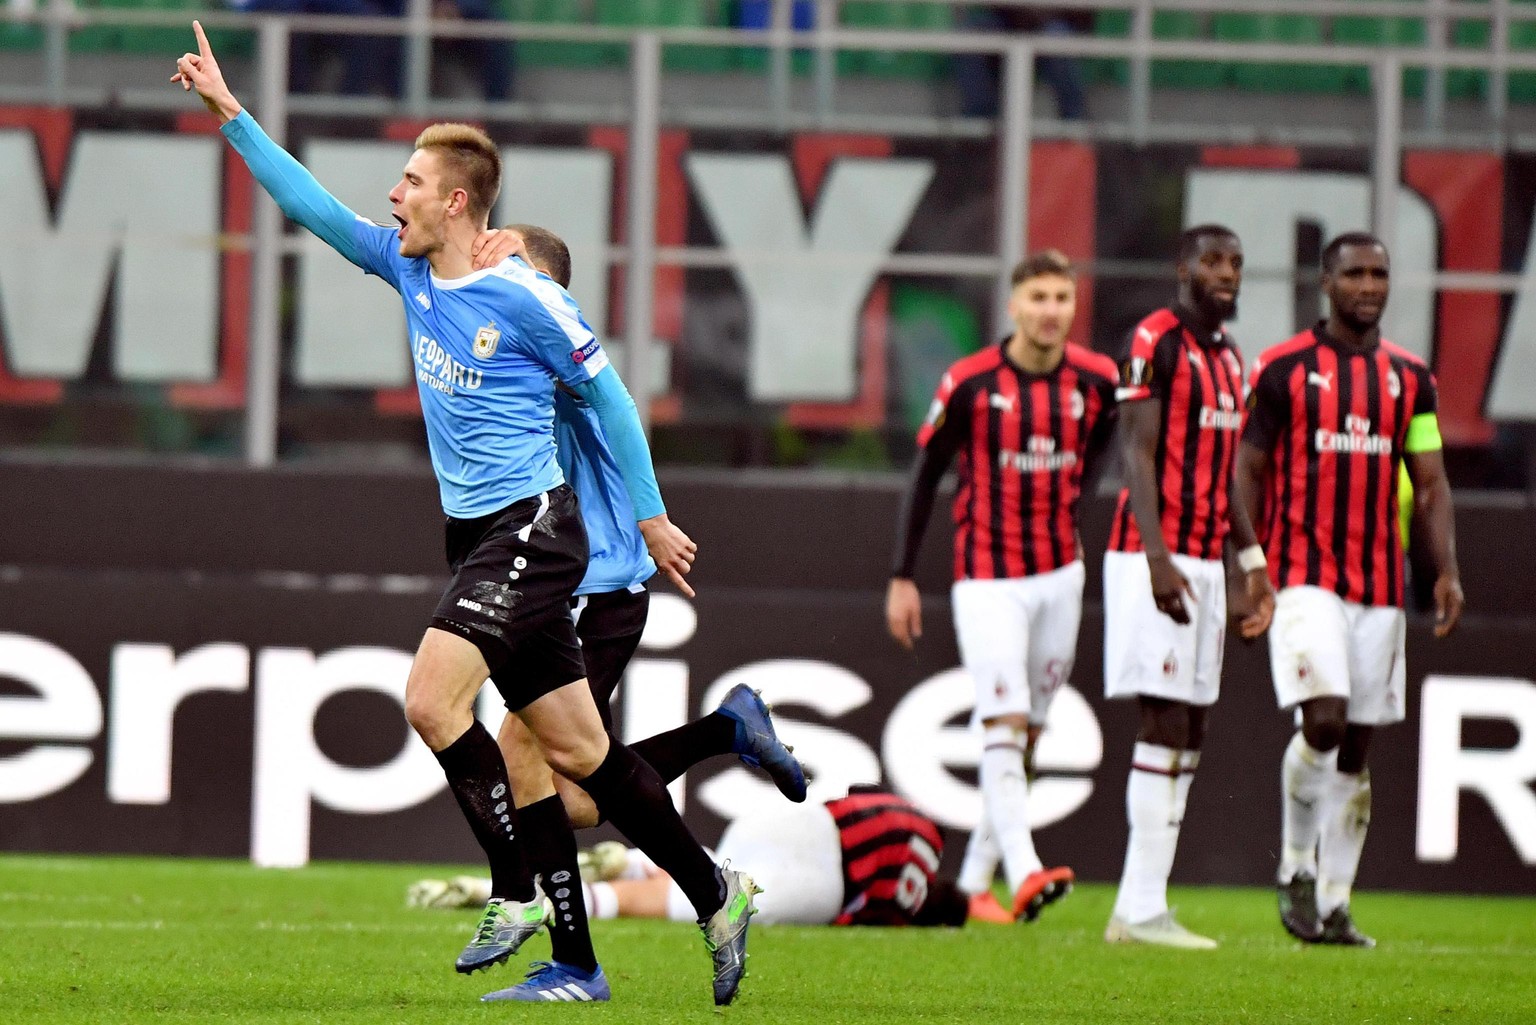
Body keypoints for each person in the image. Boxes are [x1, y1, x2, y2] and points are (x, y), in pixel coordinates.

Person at [173, 23, 756, 1007]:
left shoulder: (525, 297)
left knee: (431, 701)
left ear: (455, 200)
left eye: (407, 180)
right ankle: (716, 891)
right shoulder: (409, 269)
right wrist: (232, 115)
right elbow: (308, 206)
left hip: (531, 527)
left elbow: (611, 400)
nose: (390, 194)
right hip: (474, 532)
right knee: (578, 752)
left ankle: (516, 890)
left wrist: (652, 518)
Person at [458, 223, 805, 1000]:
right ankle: (726, 737)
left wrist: (652, 516)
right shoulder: (506, 346)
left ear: (544, 284)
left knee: (524, 750)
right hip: (557, 581)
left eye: (508, 270)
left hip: (595, 583)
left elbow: (614, 416)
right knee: (575, 795)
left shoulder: (554, 343)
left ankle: (581, 962)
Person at [1234, 232, 1464, 948]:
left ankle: (1334, 902)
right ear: (1325, 282)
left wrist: (1445, 568)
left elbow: (1430, 483)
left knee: (1357, 750)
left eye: (1380, 274)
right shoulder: (1283, 369)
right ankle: (1296, 866)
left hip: (1381, 585)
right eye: (1355, 273)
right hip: (1304, 577)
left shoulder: (1410, 378)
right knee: (1324, 721)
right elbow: (1245, 469)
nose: (1369, 285)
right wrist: (1250, 562)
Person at [885, 250, 1117, 925]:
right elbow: (925, 474)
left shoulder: (1097, 380)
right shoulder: (972, 381)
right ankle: (1026, 870)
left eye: (1062, 298)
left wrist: (1078, 502)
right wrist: (903, 575)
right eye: (1038, 297)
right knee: (1005, 722)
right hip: (988, 577)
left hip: (1062, 575)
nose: (1051, 311)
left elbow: (1107, 443)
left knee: (1029, 739)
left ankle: (972, 884)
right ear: (1013, 305)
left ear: (1074, 306)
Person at [1102, 224, 1274, 949]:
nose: (1226, 272)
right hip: (1156, 552)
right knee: (1164, 720)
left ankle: (1147, 903)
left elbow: (1227, 471)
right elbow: (1135, 452)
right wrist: (1156, 557)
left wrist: (1253, 557)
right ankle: (1137, 909)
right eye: (1212, 260)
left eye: (1235, 261)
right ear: (1183, 268)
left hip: (1208, 556)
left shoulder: (1234, 358)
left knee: (1193, 728)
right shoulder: (1155, 339)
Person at [411, 788, 972, 929]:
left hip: (783, 819)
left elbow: (852, 797)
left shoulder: (918, 820)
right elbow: (859, 912)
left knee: (720, 870)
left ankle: (633, 860)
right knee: (716, 905)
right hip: (826, 869)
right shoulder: (913, 893)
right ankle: (561, 901)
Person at [954, 5, 1091, 120]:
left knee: (1058, 37)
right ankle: (978, 123)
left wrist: (1044, 14)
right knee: (971, 36)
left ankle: (1074, 122)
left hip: (1057, 22)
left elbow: (1083, 13)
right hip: (1007, 19)